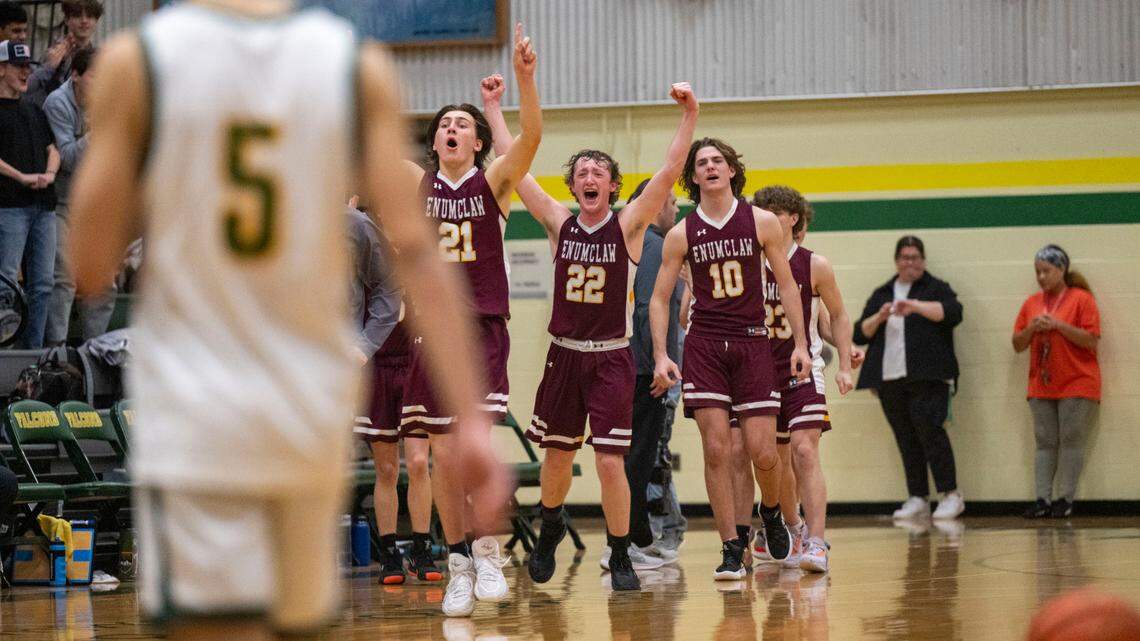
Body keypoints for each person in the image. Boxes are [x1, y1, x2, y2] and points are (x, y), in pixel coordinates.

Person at [67, 2, 510, 639]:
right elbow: (418, 256)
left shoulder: (140, 63)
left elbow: (89, 262)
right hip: (304, 401)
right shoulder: (355, 67)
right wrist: (469, 418)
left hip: (197, 402)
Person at [483, 79, 697, 590]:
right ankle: (552, 523)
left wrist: (690, 115)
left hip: (611, 358)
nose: (591, 175)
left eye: (599, 170)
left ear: (614, 186)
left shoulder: (629, 227)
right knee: (557, 457)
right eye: (582, 172)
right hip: (564, 356)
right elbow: (513, 166)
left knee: (608, 461)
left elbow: (669, 172)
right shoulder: (559, 223)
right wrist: (494, 109)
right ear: (574, 187)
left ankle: (620, 551)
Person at [398, 24, 541, 617]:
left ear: (479, 141)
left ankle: (488, 550)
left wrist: (524, 82)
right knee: (438, 458)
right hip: (430, 334)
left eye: (462, 125)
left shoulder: (493, 183)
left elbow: (531, 136)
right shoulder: (414, 182)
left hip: (482, 330)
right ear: (433, 141)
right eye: (444, 124)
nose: (451, 129)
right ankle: (457, 559)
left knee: (471, 448)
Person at [650, 137, 812, 581]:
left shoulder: (760, 222)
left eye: (717, 160)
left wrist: (800, 344)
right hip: (705, 344)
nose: (710, 167)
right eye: (701, 163)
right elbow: (660, 298)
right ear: (694, 176)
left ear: (732, 169)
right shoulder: (682, 233)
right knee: (718, 449)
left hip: (753, 342)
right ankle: (729, 546)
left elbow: (789, 286)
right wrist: (663, 353)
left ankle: (774, 510)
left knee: (763, 450)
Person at [344, 202, 440, 583]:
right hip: (377, 364)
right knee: (385, 468)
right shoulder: (363, 245)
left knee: (418, 463)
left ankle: (422, 547)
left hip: (415, 361)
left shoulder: (419, 252)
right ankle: (389, 554)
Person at [853, 236, 965, 521]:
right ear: (897, 261)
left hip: (928, 378)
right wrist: (879, 317)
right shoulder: (883, 292)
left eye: (915, 257)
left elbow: (953, 313)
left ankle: (951, 494)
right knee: (906, 437)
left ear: (923, 261)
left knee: (931, 433)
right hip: (890, 379)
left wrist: (915, 306)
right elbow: (859, 333)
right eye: (904, 257)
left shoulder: (935, 288)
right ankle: (918, 496)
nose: (910, 262)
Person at [1013, 244, 1100, 519]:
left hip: (1077, 381)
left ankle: (1066, 498)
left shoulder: (1081, 299)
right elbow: (1017, 344)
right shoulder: (1031, 303)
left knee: (1071, 439)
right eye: (1037, 272)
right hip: (1042, 383)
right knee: (1044, 441)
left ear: (1061, 270)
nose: (1041, 277)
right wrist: (1032, 328)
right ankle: (1042, 499)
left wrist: (1059, 326)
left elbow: (1090, 340)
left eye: (1046, 271)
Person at [627, 178, 686, 559]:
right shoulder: (653, 246)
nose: (677, 210)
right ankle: (640, 537)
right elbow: (647, 308)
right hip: (648, 370)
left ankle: (649, 533)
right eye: (672, 202)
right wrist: (656, 367)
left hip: (648, 366)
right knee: (645, 458)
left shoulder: (648, 244)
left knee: (648, 456)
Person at [44, 45, 114, 345]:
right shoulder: (57, 104)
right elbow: (69, 158)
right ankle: (55, 352)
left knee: (105, 283)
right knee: (65, 280)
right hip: (62, 203)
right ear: (75, 75)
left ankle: (94, 349)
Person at [0, 38, 58, 349]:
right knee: (6, 281)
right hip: (9, 206)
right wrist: (21, 177)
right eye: (18, 67)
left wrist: (48, 174)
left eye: (27, 67)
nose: (25, 73)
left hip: (43, 206)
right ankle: (5, 349)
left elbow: (54, 149)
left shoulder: (34, 109)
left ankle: (33, 351)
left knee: (44, 283)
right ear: (1, 69)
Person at [26, 0, 102, 108]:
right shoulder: (53, 54)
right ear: (66, 20)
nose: (84, 21)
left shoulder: (98, 56)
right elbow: (39, 90)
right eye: (77, 16)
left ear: (96, 20)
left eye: (90, 16)